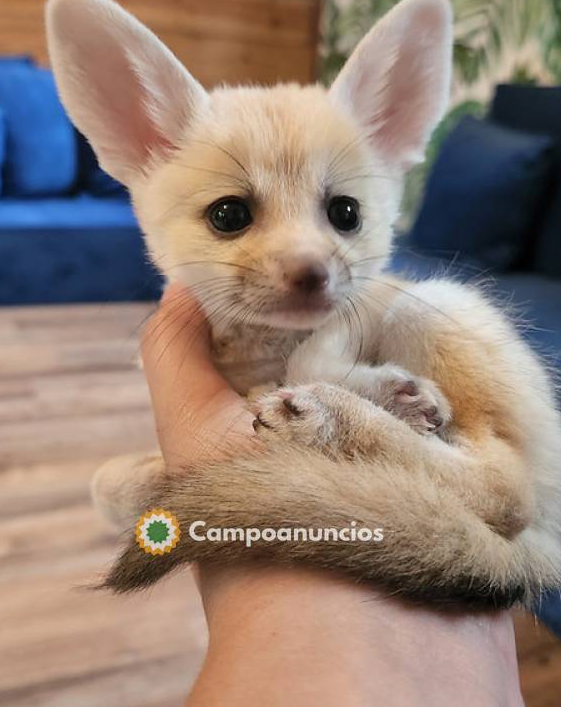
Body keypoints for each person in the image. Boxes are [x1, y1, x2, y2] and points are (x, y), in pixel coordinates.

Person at [139, 284, 524, 706]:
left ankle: (485, 478)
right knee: (120, 488)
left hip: (499, 479)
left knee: (424, 307)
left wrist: (355, 422)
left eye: (343, 214)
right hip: (463, 620)